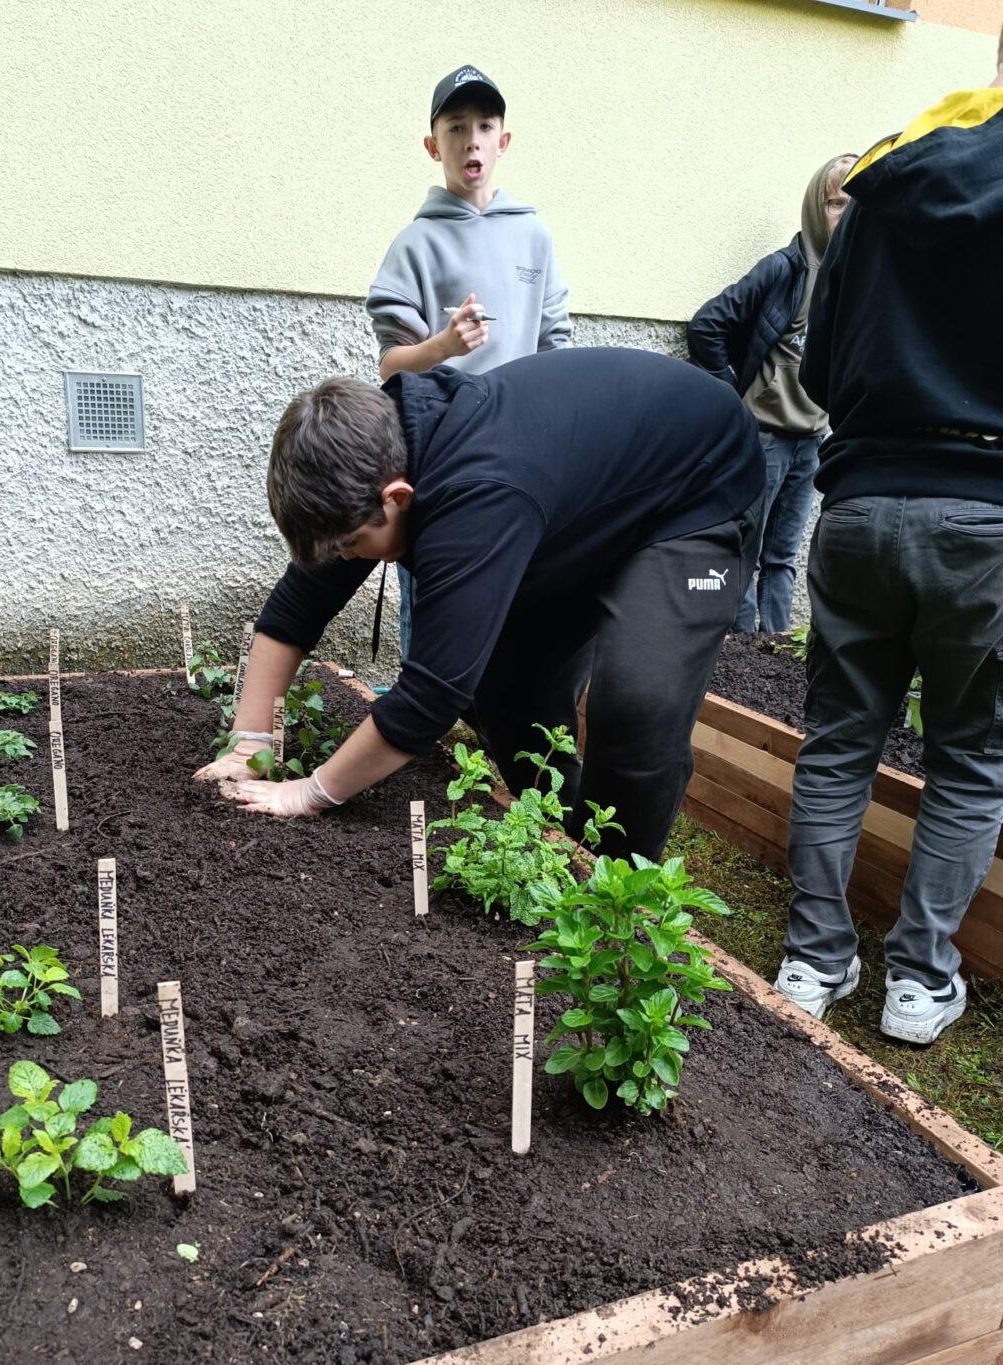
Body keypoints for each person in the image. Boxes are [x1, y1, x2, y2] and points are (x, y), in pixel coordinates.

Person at [194, 348, 765, 861]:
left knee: (638, 701)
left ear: (398, 498)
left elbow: (431, 696)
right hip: (574, 506)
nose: (347, 557)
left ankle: (615, 894)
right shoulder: (374, 452)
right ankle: (560, 842)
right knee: (505, 689)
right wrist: (252, 744)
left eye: (350, 546)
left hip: (694, 487)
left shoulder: (476, 495)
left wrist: (308, 792)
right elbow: (294, 612)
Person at [773, 39, 1003, 1045]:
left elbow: (819, 369)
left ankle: (812, 961)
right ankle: (918, 982)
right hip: (986, 518)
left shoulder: (884, 178)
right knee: (972, 756)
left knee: (838, 739)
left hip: (862, 506)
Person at [366, 65, 571, 660]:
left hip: (523, 456)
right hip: (438, 458)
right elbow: (391, 369)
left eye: (484, 126)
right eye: (456, 127)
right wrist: (443, 348)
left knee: (515, 598)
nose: (471, 140)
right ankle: (419, 726)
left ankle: (489, 729)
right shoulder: (414, 245)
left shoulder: (535, 237)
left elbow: (556, 348)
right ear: (434, 147)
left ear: (503, 141)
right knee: (432, 593)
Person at [687, 154, 857, 633]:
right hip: (764, 439)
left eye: (854, 203)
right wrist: (731, 403)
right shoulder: (785, 268)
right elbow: (707, 326)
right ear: (813, 206)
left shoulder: (853, 278)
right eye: (834, 203)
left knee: (782, 558)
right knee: (746, 550)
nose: (844, 215)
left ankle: (774, 650)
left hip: (812, 441)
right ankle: (737, 655)